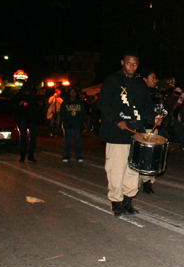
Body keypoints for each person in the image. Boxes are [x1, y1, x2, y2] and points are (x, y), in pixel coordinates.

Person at [98, 52, 161, 215]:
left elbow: (147, 106)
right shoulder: (113, 80)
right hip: (117, 133)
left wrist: (153, 117)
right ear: (122, 62)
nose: (132, 67)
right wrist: (116, 119)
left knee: (133, 169)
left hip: (136, 132)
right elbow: (104, 103)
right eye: (128, 63)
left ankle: (128, 200)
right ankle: (116, 201)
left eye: (135, 64)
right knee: (116, 169)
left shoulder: (140, 83)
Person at [142, 68, 165, 193]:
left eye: (155, 78)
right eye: (152, 78)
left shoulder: (156, 93)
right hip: (144, 127)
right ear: (145, 79)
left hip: (154, 126)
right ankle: (145, 181)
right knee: (145, 154)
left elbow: (161, 107)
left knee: (153, 154)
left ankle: (150, 180)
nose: (155, 81)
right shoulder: (141, 92)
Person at [12, 84, 40, 162]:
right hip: (23, 119)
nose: (27, 92)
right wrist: (19, 105)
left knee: (33, 137)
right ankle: (22, 156)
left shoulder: (33, 97)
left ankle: (30, 155)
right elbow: (14, 108)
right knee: (23, 137)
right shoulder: (18, 97)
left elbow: (36, 108)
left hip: (32, 119)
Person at [60, 87, 86, 162]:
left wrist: (80, 120)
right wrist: (65, 121)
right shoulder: (65, 102)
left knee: (77, 141)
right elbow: (62, 113)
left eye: (74, 92)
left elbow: (83, 112)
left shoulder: (79, 102)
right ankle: (66, 156)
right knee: (67, 140)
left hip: (76, 124)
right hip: (67, 125)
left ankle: (78, 156)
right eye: (71, 92)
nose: (73, 94)